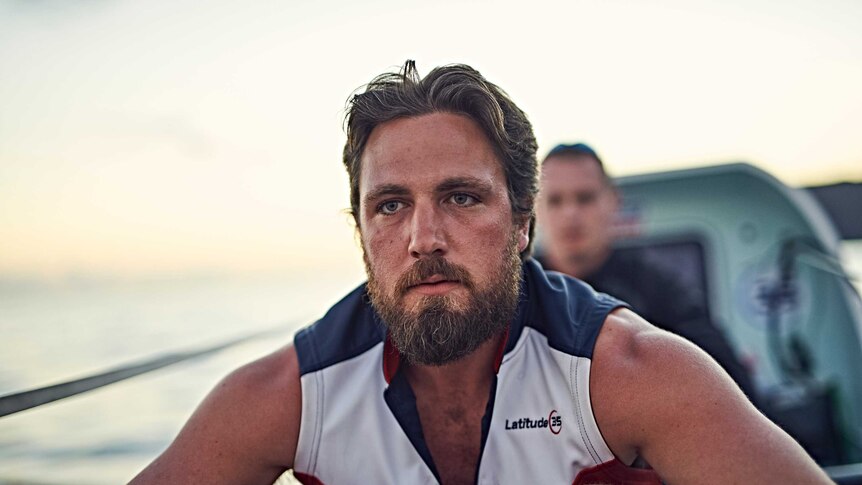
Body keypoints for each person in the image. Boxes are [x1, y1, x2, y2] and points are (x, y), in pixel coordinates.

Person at [130, 61, 829, 485]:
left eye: (461, 197)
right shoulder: (288, 395)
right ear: (360, 232)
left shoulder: (633, 373)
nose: (423, 238)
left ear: (523, 224)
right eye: (390, 205)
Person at [535, 143, 758, 403]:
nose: (570, 214)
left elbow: (729, 380)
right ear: (534, 207)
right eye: (555, 200)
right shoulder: (516, 292)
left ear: (613, 202)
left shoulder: (658, 289)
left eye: (585, 198)